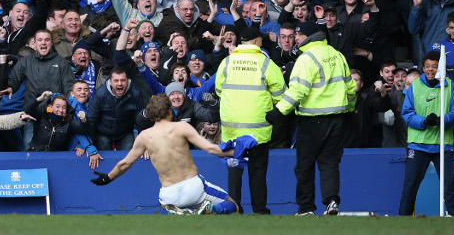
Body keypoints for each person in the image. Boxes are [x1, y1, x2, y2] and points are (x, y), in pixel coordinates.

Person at [90, 94, 239, 215]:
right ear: (170, 111)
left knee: (170, 207)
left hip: (169, 195)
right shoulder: (182, 127)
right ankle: (211, 210)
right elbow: (211, 149)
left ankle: (180, 212)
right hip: (193, 188)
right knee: (233, 206)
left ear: (151, 114)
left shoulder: (144, 136)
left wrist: (108, 178)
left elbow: (125, 163)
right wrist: (238, 152)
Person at [265, 21, 356, 216]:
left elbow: (297, 91)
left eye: (298, 35)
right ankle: (331, 202)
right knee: (329, 163)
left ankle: (306, 208)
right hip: (338, 119)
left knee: (304, 166)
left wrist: (278, 111)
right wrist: (350, 108)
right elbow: (350, 87)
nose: (295, 38)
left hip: (312, 120)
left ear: (309, 36)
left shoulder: (306, 59)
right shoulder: (337, 55)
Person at [215, 26, 286, 214]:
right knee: (258, 172)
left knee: (234, 172)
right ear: (255, 41)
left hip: (232, 130)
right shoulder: (265, 63)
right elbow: (281, 95)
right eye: (261, 39)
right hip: (258, 131)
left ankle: (234, 209)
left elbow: (219, 90)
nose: (262, 41)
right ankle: (260, 210)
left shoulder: (227, 61)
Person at [398, 50, 454, 216]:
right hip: (418, 145)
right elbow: (407, 113)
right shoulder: (414, 87)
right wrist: (423, 122)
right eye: (427, 66)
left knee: (449, 184)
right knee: (411, 184)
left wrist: (442, 120)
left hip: (442, 145)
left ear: (440, 68)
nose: (430, 70)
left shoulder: (450, 86)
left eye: (434, 67)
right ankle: (401, 222)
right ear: (423, 67)